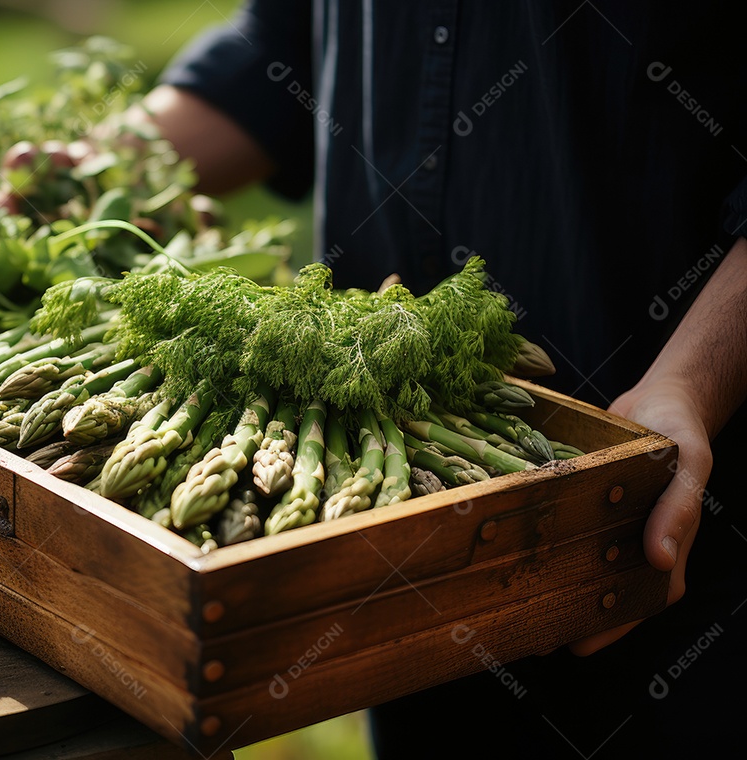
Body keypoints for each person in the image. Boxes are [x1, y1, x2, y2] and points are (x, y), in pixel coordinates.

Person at [112, 2, 746, 757]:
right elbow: (283, 50)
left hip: (661, 507)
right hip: (384, 516)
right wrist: (75, 175)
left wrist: (693, 384)